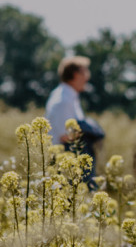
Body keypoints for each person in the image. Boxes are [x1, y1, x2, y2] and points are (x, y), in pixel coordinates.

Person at [45, 55, 105, 188]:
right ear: (75, 75)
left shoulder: (70, 97)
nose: (88, 77)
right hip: (66, 166)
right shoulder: (63, 100)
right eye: (85, 72)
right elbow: (65, 135)